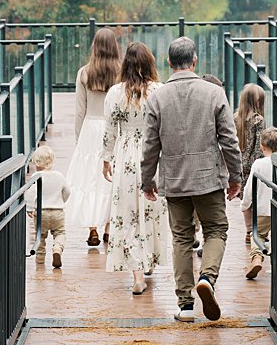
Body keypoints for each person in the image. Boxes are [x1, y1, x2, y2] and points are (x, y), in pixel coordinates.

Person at [142, 36, 242, 323]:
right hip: (208, 177)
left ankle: (185, 305)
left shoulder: (157, 97)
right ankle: (207, 278)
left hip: (174, 179)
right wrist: (235, 177)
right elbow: (229, 141)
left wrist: (147, 181)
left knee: (182, 238)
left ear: (169, 63)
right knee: (216, 230)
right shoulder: (213, 93)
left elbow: (150, 145)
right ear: (194, 61)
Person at [102, 42, 169, 295]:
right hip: (154, 154)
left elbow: (109, 130)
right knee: (151, 211)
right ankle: (148, 260)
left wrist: (106, 158)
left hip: (127, 154)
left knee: (128, 213)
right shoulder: (159, 91)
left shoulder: (116, 93)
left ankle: (138, 274)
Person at [66, 28, 121, 246]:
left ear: (94, 47)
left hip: (90, 127)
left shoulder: (84, 72)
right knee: (111, 178)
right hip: (113, 127)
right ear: (115, 47)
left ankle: (93, 229)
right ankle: (109, 228)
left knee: (89, 178)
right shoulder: (121, 72)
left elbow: (80, 110)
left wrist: (79, 138)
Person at [241, 127, 277, 279]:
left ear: (262, 147)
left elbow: (250, 188)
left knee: (258, 235)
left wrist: (245, 205)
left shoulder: (258, 164)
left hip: (262, 209)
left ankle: (257, 257)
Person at [25, 145, 70, 268]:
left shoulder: (36, 176)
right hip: (58, 212)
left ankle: (40, 261)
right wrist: (61, 201)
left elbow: (31, 193)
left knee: (40, 236)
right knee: (60, 233)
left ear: (37, 163)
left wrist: (29, 208)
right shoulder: (59, 175)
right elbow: (67, 191)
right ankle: (57, 249)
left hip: (41, 213)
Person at [234, 83, 266, 244]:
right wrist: (258, 163)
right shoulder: (258, 120)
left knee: (245, 199)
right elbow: (259, 146)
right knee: (256, 197)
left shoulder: (235, 118)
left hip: (238, 165)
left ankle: (248, 229)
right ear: (258, 102)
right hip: (253, 165)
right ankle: (257, 229)